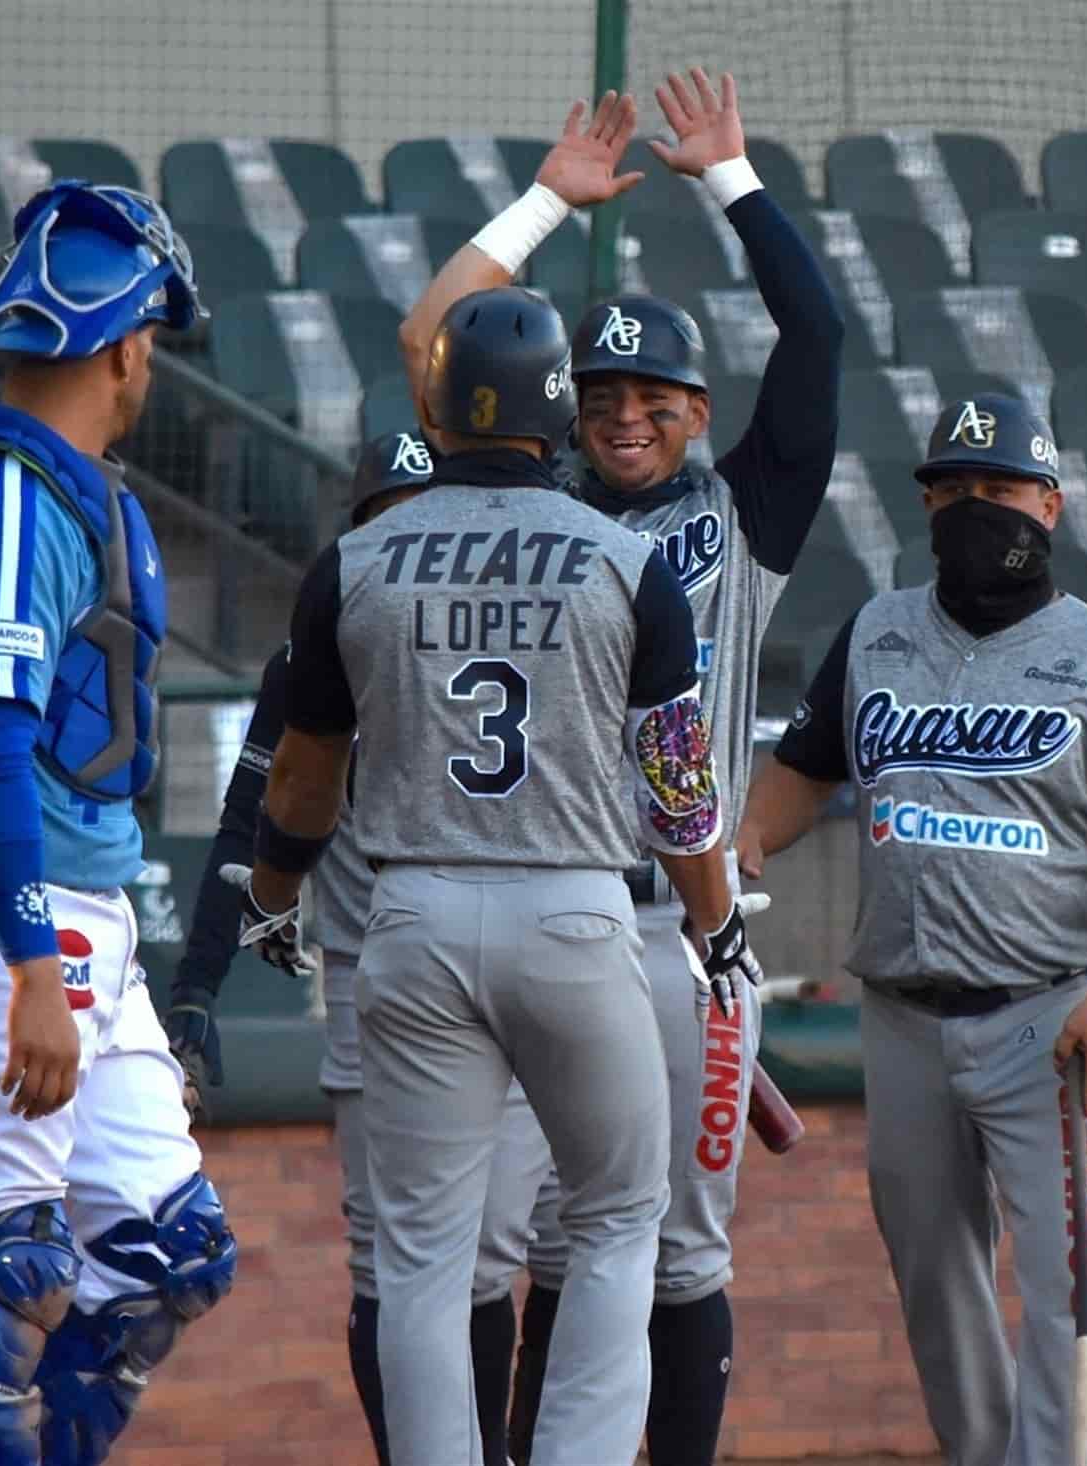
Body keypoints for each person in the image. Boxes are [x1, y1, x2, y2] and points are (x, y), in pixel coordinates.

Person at [229, 285, 757, 1466]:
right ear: (558, 412)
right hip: (573, 907)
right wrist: (718, 922)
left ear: (441, 403)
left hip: (411, 915)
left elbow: (305, 782)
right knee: (619, 1218)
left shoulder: (355, 559)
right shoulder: (627, 557)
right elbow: (679, 789)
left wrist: (272, 895)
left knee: (423, 1250)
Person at [397, 67, 843, 1465]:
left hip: (687, 941)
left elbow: (818, 335)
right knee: (513, 1241)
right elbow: (432, 347)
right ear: (562, 405)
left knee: (681, 1254)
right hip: (558, 906)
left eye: (656, 393)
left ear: (700, 409)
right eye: (602, 390)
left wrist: (731, 179)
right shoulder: (531, 499)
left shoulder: (745, 516)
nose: (627, 413)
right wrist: (541, 205)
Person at [735, 395, 1087, 1466]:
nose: (972, 507)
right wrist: (747, 841)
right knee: (935, 1280)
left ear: (1051, 503)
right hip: (902, 1015)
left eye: (997, 488)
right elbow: (806, 771)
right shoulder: (876, 632)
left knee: (1069, 1285)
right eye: (950, 488)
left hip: (1048, 1010)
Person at [0, 180, 235, 1466]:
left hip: (77, 920)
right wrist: (31, 972)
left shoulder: (69, 491)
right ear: (128, 346)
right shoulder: (8, 505)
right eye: (154, 345)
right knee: (6, 1282)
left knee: (161, 1256)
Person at [163, 428, 549, 1465]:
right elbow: (249, 823)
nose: (415, 540)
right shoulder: (312, 655)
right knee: (387, 1264)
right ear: (358, 537)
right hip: (374, 985)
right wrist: (196, 986)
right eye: (390, 520)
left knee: (490, 1254)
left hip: (516, 975)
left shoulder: (530, 635)